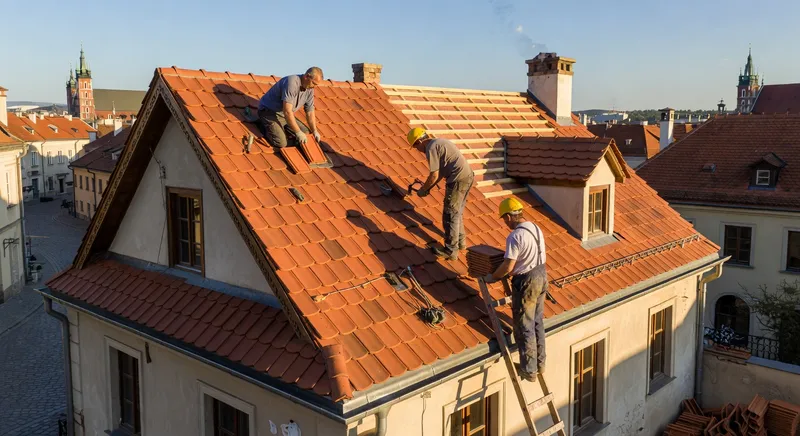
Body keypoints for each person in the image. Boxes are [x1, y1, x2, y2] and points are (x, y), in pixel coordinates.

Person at [484, 197, 547, 381]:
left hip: (527, 281)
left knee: (524, 324)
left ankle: (529, 370)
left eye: (505, 219)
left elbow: (508, 266)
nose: (505, 223)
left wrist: (493, 277)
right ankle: (540, 365)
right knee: (537, 322)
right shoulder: (535, 228)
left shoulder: (515, 236)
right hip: (542, 275)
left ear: (511, 216)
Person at [407, 127, 474, 260]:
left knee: (450, 215)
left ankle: (450, 251)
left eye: (415, 147)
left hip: (457, 180)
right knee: (458, 211)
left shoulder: (431, 149)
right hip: (467, 176)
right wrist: (428, 188)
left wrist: (423, 190)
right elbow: (441, 172)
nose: (417, 150)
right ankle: (461, 243)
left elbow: (434, 174)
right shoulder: (439, 142)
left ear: (419, 142)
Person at [258, 67, 323, 148]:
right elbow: (287, 111)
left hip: (284, 115)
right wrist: (298, 132)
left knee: (306, 134)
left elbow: (310, 111)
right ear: (307, 76)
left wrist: (314, 131)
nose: (314, 87)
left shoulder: (310, 88)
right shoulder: (292, 83)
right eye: (314, 83)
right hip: (269, 112)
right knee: (281, 143)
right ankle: (263, 126)